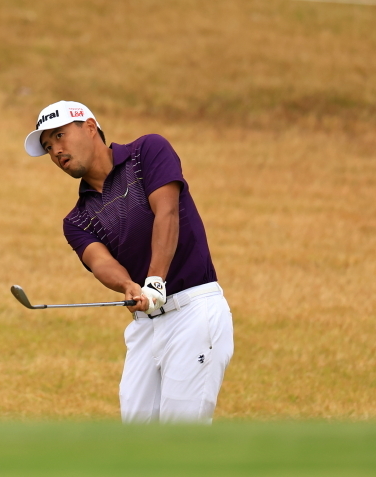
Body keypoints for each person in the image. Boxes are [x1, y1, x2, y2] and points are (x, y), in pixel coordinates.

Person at [24, 100, 233, 423]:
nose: (56, 152)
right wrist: (128, 285)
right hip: (146, 325)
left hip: (193, 313)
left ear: (90, 127)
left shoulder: (147, 152)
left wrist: (155, 281)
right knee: (137, 442)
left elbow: (167, 213)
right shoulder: (77, 220)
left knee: (182, 440)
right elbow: (100, 262)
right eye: (49, 147)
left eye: (60, 136)